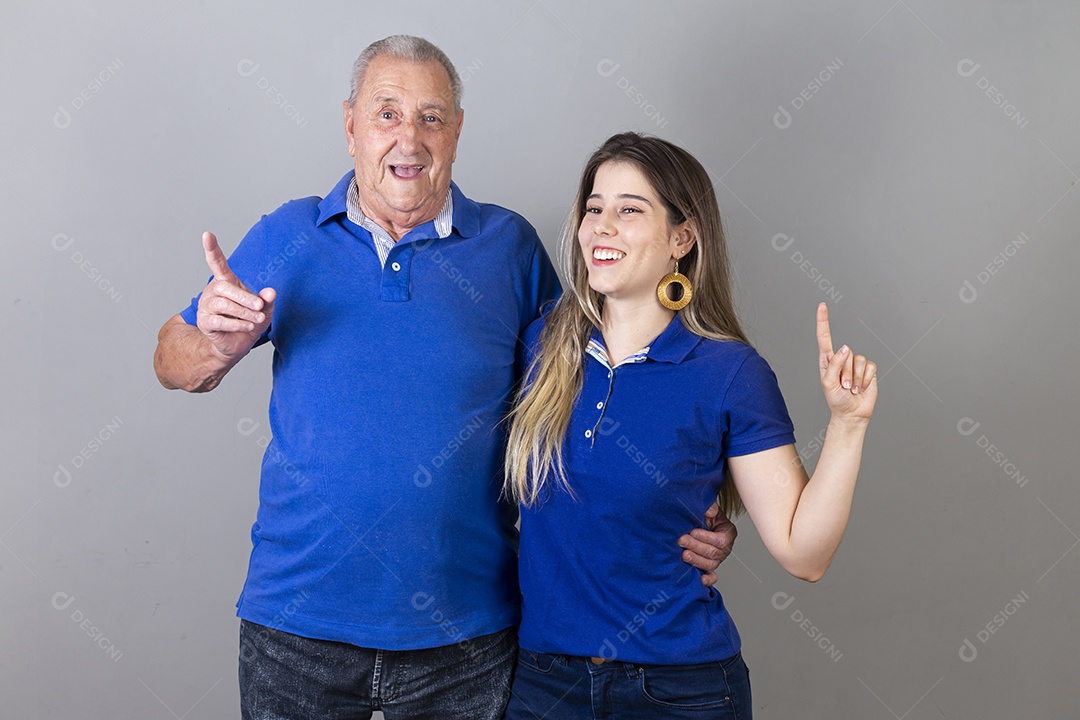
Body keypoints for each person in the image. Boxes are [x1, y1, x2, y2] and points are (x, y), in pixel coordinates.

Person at [153, 37, 736, 720]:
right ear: (350, 127)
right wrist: (214, 345)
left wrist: (681, 510)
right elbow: (174, 362)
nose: (409, 137)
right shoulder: (290, 234)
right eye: (387, 114)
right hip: (296, 629)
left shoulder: (509, 248)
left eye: (431, 118)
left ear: (456, 132)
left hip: (466, 641)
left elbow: (590, 404)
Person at [502, 132, 878, 719]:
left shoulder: (729, 373)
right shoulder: (539, 347)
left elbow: (805, 555)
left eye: (630, 210)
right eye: (594, 208)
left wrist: (847, 425)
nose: (602, 225)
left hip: (679, 693)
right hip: (544, 687)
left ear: (683, 236)